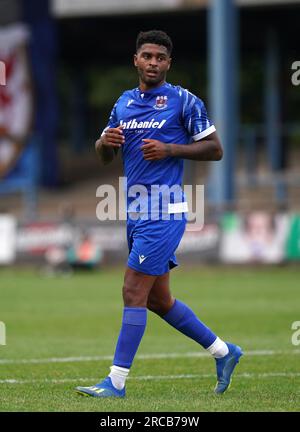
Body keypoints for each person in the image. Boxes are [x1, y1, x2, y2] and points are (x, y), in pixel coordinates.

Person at [75, 30, 243, 398]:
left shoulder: (184, 102)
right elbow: (104, 154)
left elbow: (215, 150)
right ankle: (224, 351)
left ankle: (115, 383)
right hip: (135, 210)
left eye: (160, 57)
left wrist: (169, 149)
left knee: (132, 290)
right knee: (158, 300)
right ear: (136, 59)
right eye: (147, 56)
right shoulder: (123, 103)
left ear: (169, 63)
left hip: (164, 210)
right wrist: (105, 143)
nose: (153, 62)